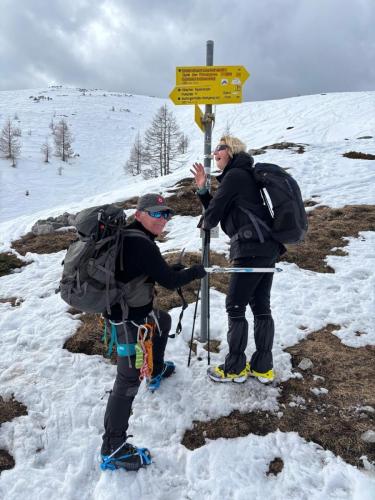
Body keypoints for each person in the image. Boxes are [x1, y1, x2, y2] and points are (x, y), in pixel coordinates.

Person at [100, 193, 206, 471]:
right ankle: (113, 447)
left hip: (131, 313)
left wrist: (170, 269)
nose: (164, 219)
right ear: (139, 215)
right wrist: (196, 272)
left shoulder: (130, 237)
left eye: (167, 214)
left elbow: (145, 271)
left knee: (163, 321)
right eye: (157, 214)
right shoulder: (142, 244)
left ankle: (156, 369)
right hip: (128, 322)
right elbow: (170, 282)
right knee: (127, 381)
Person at [191, 136, 285, 385]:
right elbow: (221, 206)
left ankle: (234, 368)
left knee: (235, 306)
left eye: (219, 149)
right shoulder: (243, 175)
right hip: (266, 248)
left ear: (231, 151)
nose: (214, 154)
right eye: (214, 150)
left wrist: (203, 225)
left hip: (250, 248)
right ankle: (263, 368)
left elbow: (214, 212)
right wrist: (203, 189)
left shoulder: (235, 176)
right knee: (261, 306)